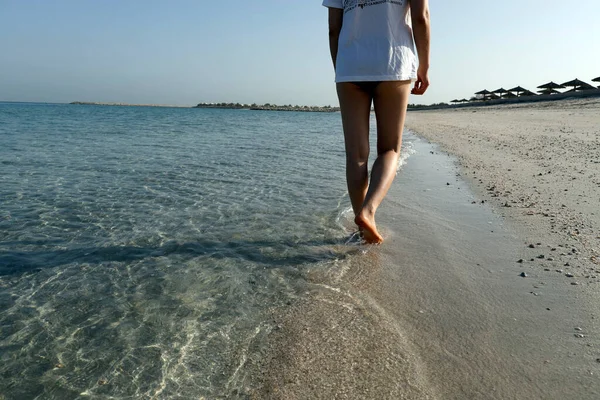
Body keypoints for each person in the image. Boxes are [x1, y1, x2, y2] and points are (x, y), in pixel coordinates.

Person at [323, 0, 430, 244]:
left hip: (350, 64)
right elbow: (420, 17)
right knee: (389, 148)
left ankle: (362, 227)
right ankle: (368, 212)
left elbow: (333, 28)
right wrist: (424, 66)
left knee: (356, 155)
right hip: (393, 61)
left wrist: (342, 68)